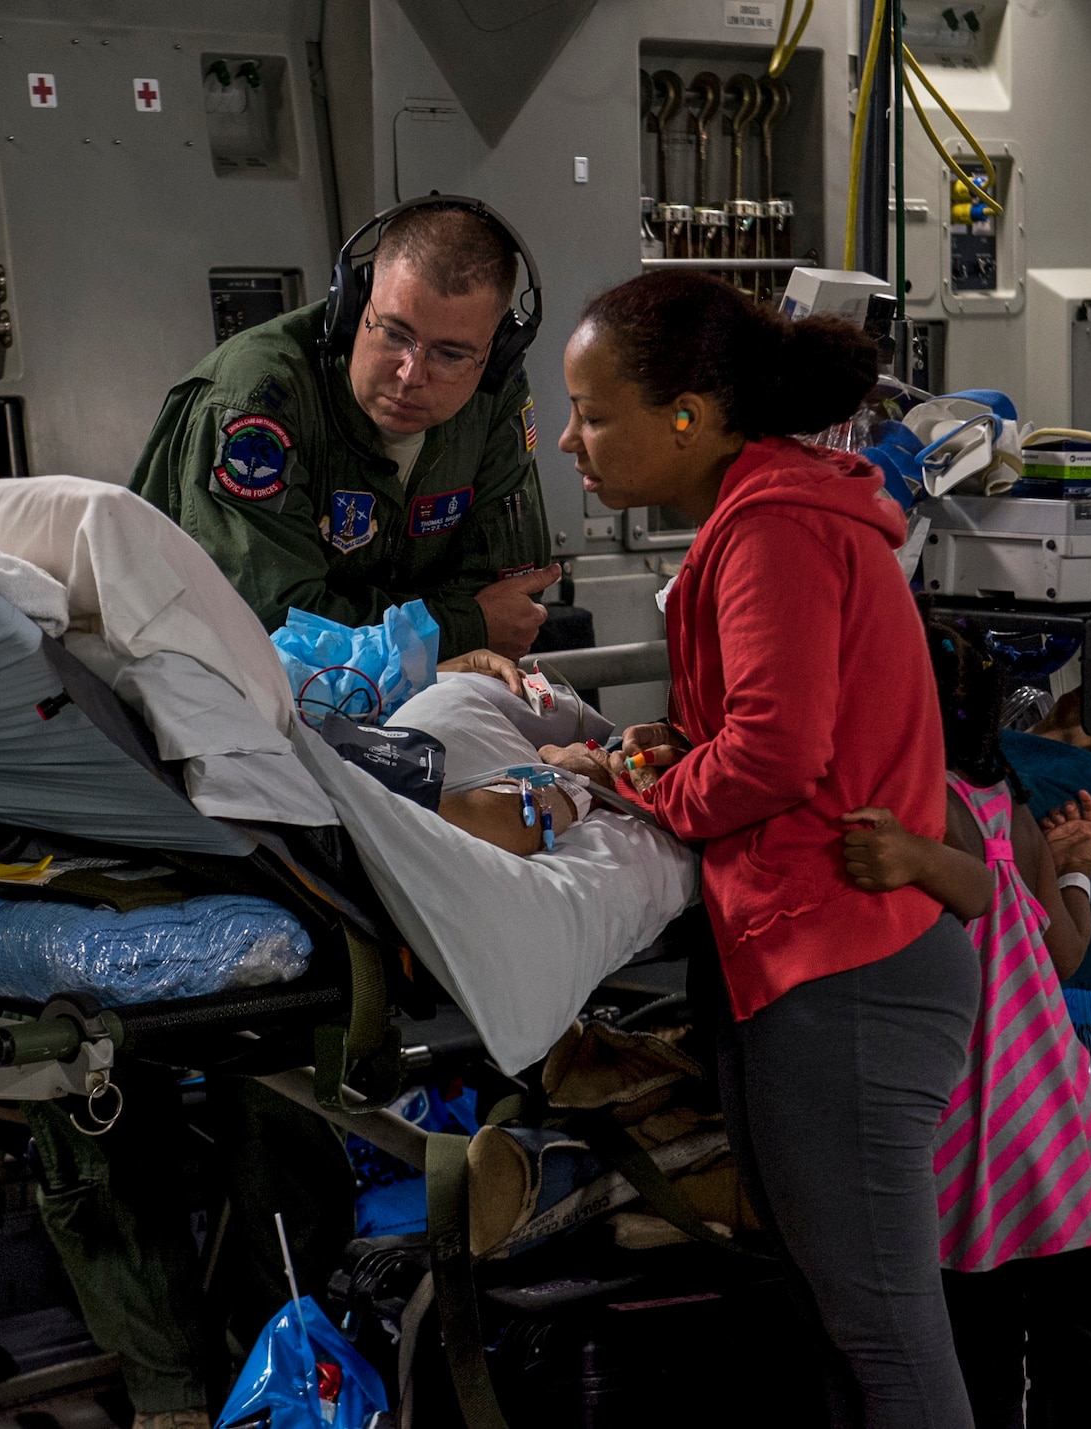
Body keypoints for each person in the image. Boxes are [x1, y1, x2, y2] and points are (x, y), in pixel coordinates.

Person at [543, 271, 983, 1428]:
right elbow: (775, 732)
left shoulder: (771, 529)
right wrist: (678, 744)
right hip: (822, 963)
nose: (567, 439)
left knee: (884, 1342)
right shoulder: (779, 510)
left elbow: (777, 757)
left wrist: (647, 784)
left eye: (591, 412)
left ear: (685, 414)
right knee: (832, 1324)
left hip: (842, 973)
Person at [839, 620, 1091, 1429]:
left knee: (975, 1366)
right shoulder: (1006, 807)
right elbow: (1067, 954)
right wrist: (1079, 865)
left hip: (971, 1135)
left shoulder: (919, 816)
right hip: (1056, 1123)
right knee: (1080, 1348)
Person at [131, 199, 559, 660]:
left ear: (495, 356)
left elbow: (508, 593)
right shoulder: (255, 401)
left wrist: (444, 636)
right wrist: (460, 630)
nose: (411, 375)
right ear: (352, 308)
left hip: (398, 701)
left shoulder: (496, 392)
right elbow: (278, 629)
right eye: (394, 334)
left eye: (450, 356)